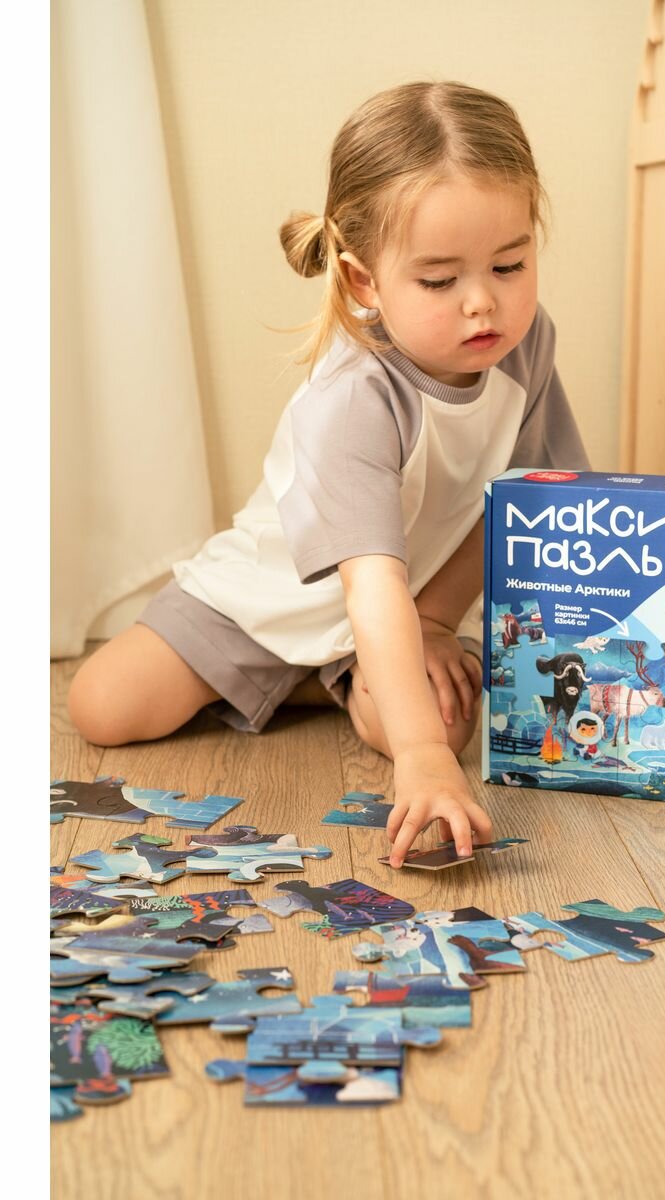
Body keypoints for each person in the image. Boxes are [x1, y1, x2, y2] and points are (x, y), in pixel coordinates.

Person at [68, 80, 590, 866]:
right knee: (103, 707)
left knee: (450, 723)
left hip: (400, 601)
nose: (483, 303)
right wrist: (418, 758)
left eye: (509, 265)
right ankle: (310, 674)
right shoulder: (354, 398)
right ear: (363, 281)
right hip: (280, 594)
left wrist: (436, 627)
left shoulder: (526, 344)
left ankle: (340, 675)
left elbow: (517, 501)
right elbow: (366, 582)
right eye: (440, 281)